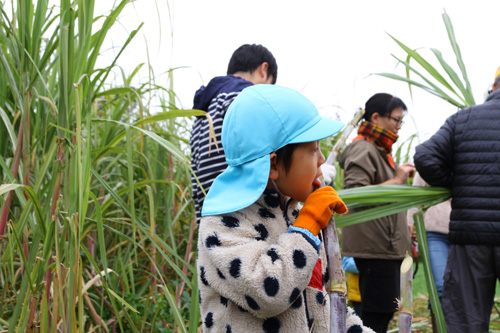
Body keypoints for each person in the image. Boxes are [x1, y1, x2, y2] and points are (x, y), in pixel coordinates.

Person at [197, 84, 374, 332]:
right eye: (313, 149)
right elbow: (269, 293)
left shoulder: (293, 215)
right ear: (273, 166)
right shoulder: (223, 224)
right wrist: (309, 224)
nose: (322, 159)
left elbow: (324, 305)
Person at [413, 67, 500, 332]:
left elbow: (425, 156)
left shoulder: (464, 118)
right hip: (471, 233)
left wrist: (457, 184)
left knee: (465, 320)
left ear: (494, 87)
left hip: (470, 236)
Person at [338, 93, 414, 333]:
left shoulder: (379, 150)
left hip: (384, 246)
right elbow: (354, 193)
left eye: (401, 122)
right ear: (376, 117)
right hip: (374, 247)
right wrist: (399, 179)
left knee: (380, 312)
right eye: (395, 120)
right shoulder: (363, 148)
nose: (398, 127)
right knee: (375, 317)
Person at [190, 44, 278, 222]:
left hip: (210, 221)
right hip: (245, 221)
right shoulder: (243, 96)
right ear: (264, 69)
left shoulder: (202, 112)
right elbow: (264, 156)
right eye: (270, 84)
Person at [406, 173, 451, 332]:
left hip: (463, 230)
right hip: (434, 231)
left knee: (459, 288)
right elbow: (415, 196)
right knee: (440, 286)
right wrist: (411, 222)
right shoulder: (431, 159)